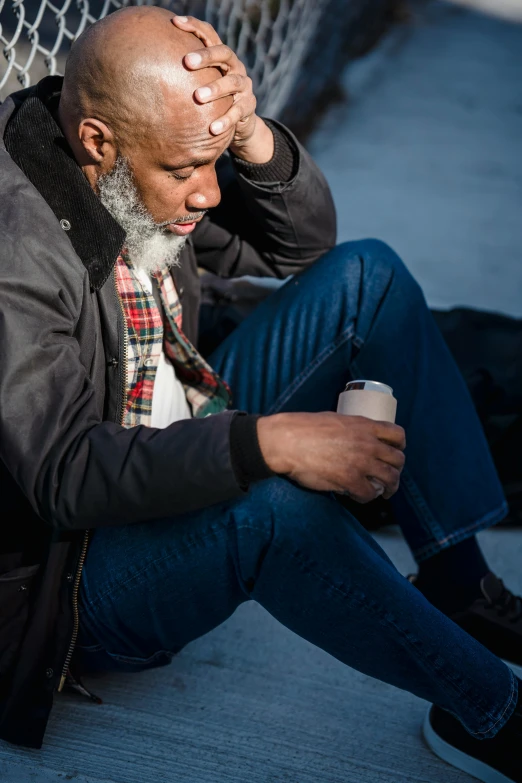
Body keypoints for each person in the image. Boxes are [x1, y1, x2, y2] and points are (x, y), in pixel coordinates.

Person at [0, 7, 520, 779]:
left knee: (368, 278)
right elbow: (67, 474)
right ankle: (494, 716)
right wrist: (269, 444)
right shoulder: (18, 246)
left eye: (212, 163)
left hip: (173, 415)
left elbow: (303, 248)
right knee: (272, 502)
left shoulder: (135, 156)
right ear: (98, 142)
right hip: (77, 584)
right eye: (186, 172)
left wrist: (250, 137)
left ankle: (459, 585)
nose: (209, 194)